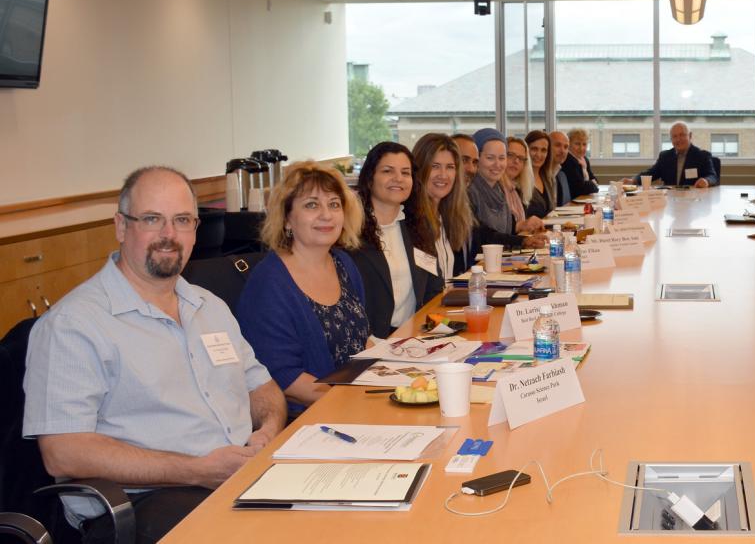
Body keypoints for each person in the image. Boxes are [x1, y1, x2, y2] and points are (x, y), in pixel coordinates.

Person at [24, 167, 285, 541]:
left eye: (181, 221)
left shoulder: (210, 307)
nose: (168, 235)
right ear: (120, 226)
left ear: (196, 229)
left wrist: (269, 432)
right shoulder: (73, 325)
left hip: (237, 477)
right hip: (147, 502)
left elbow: (262, 387)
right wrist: (198, 470)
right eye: (152, 219)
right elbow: (65, 453)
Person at [238, 161, 372, 415]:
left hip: (355, 403)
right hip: (306, 420)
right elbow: (284, 377)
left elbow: (362, 340)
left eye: (334, 204)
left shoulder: (344, 263)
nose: (326, 214)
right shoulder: (269, 284)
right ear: (287, 218)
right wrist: (350, 402)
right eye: (312, 205)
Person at [347, 142, 445, 338]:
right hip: (367, 343)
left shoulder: (418, 227)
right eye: (387, 171)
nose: (398, 179)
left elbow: (434, 287)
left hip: (413, 338)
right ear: (369, 178)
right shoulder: (349, 232)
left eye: (406, 172)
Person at [468, 128, 547, 249]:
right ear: (476, 159)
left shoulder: (499, 190)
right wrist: (522, 241)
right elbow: (483, 235)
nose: (497, 164)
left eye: (502, 158)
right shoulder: (470, 192)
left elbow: (508, 227)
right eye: (490, 158)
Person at [412, 133, 474, 281]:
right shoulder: (412, 222)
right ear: (419, 170)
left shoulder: (443, 216)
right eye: (435, 166)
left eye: (450, 167)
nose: (443, 175)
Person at [633, 122, 717, 187]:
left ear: (690, 136)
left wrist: (706, 181)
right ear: (671, 139)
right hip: (670, 199)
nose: (678, 139)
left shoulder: (702, 156)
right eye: (675, 136)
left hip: (694, 200)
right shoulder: (665, 156)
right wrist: (634, 180)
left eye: (682, 135)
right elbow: (651, 173)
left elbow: (712, 176)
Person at [504, 136, 545, 234]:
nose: (516, 161)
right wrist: (522, 225)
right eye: (510, 155)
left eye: (521, 158)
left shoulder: (516, 189)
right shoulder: (496, 189)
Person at [524, 130, 555, 218]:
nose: (539, 154)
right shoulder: (519, 181)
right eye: (534, 149)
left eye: (543, 150)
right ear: (525, 150)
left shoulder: (548, 178)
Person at [560, 128, 599, 198]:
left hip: (583, 198)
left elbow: (594, 179)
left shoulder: (584, 159)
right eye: (577, 144)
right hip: (573, 201)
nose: (581, 148)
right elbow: (580, 188)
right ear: (569, 144)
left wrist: (591, 184)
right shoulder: (568, 160)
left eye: (584, 144)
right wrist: (592, 184)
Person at [550, 131, 573, 205]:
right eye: (557, 145)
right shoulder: (538, 173)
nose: (562, 151)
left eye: (566, 147)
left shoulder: (560, 173)